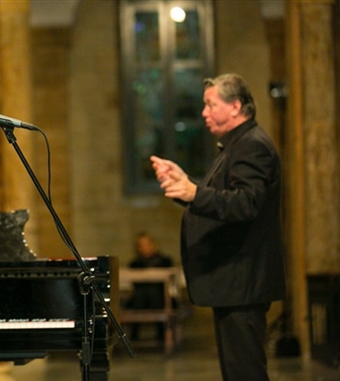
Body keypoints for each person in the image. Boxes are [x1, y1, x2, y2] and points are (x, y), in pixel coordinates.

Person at [150, 73, 286, 381]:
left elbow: (246, 203)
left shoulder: (253, 146)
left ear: (236, 106)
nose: (203, 113)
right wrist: (185, 186)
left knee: (245, 373)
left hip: (243, 282)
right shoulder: (236, 145)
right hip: (234, 284)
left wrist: (194, 192)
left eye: (211, 105)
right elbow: (224, 200)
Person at [125, 232, 173, 341]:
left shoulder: (165, 261)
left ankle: (162, 334)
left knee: (154, 295)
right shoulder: (135, 264)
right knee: (140, 297)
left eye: (147, 244)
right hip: (140, 299)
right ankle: (134, 335)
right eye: (141, 245)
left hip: (160, 298)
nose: (145, 248)